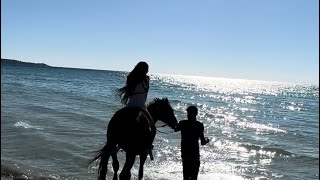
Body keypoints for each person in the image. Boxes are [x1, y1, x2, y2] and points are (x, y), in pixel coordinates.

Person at [117, 61, 154, 159]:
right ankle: (148, 147)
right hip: (141, 107)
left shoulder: (130, 78)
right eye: (147, 69)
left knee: (122, 125)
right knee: (152, 127)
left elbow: (129, 93)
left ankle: (118, 144)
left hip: (130, 106)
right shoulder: (147, 79)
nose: (147, 71)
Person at [174, 106, 209, 180]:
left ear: (187, 114)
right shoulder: (199, 125)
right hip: (195, 155)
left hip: (185, 154)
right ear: (196, 114)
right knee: (194, 177)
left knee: (186, 177)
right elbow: (202, 142)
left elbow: (175, 129)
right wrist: (207, 140)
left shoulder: (183, 123)